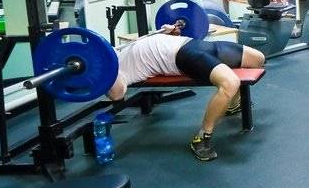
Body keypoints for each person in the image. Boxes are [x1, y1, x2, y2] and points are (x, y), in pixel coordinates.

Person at [105, 26, 266, 162]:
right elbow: (116, 95)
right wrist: (107, 74)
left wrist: (169, 31)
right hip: (182, 56)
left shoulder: (116, 49)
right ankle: (202, 137)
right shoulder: (113, 72)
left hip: (193, 44)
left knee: (258, 59)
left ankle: (233, 105)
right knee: (230, 83)